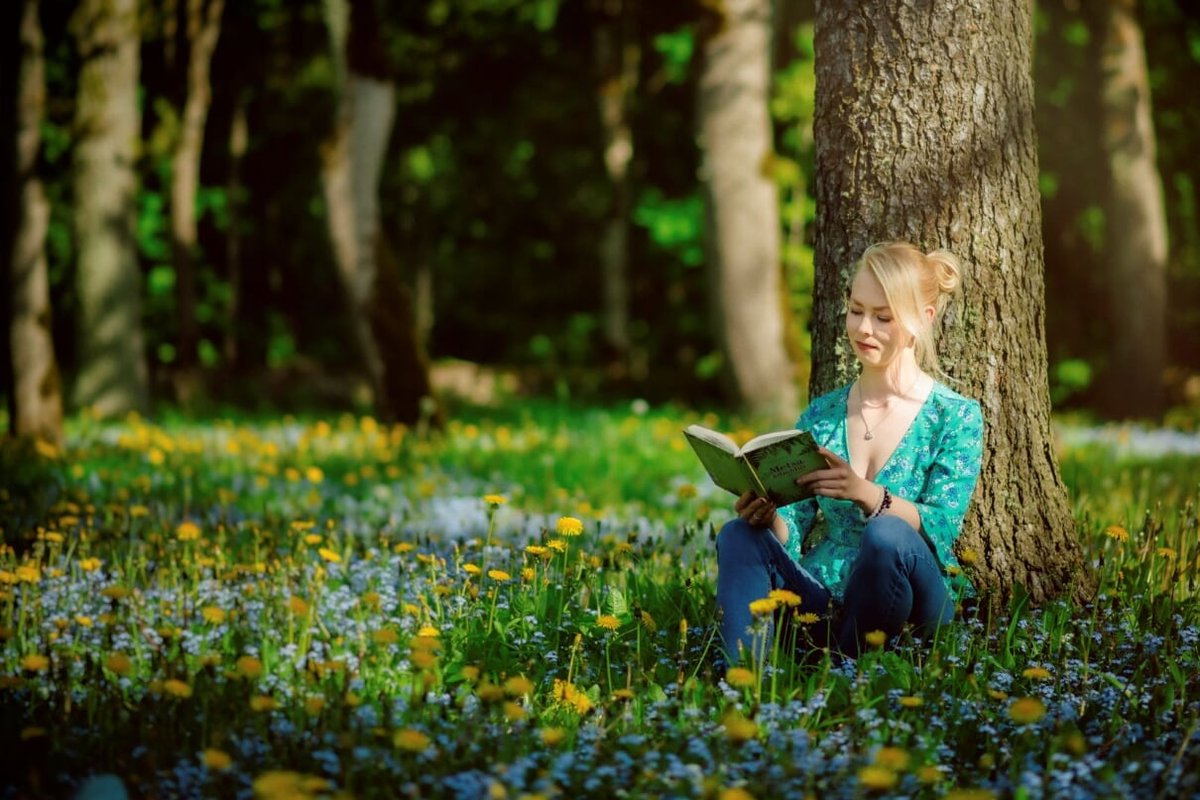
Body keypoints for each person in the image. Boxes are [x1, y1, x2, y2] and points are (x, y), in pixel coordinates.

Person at [715, 241, 984, 664]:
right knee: (738, 535)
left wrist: (868, 494)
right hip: (823, 600)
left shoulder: (955, 416)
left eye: (883, 317)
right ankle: (747, 685)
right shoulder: (821, 415)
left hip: (912, 603)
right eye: (856, 310)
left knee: (887, 533)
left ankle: (847, 671)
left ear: (923, 319)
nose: (863, 329)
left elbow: (943, 526)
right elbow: (795, 526)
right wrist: (768, 519)